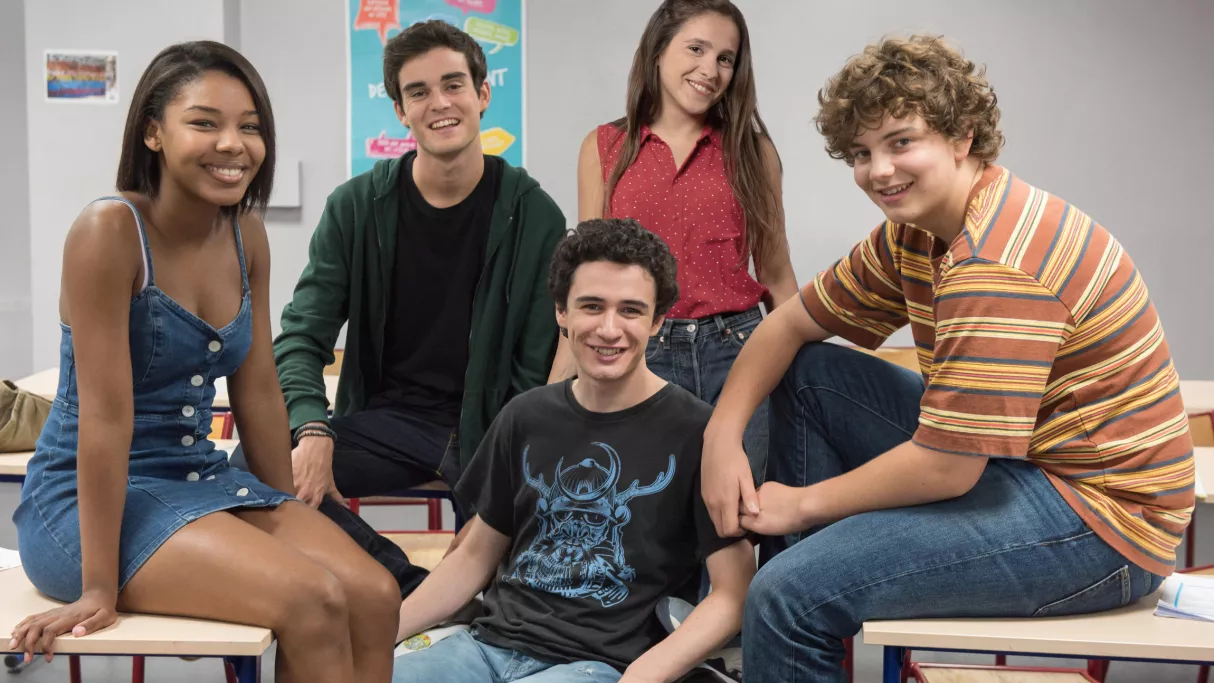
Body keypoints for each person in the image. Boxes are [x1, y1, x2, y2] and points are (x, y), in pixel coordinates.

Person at [700, 35, 1195, 682]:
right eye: (861, 153)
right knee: (812, 375)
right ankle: (814, 606)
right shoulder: (914, 232)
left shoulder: (996, 260)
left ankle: (801, 604)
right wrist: (720, 436)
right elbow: (790, 323)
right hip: (1021, 463)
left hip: (1104, 524)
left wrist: (801, 505)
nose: (879, 170)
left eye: (901, 142)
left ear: (963, 136)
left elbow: (947, 467)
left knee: (785, 594)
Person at [10, 42, 399, 683]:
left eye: (250, 126)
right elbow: (105, 419)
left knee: (376, 594)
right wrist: (98, 588)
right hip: (84, 504)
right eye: (204, 123)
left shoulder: (246, 233)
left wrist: (284, 509)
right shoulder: (109, 232)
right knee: (314, 598)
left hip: (199, 479)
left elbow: (260, 390)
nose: (232, 144)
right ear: (153, 133)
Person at [231, 20, 567, 594]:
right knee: (250, 467)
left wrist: (504, 482)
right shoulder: (356, 207)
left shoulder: (535, 215)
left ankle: (467, 599)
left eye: (454, 85)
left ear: (483, 94)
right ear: (399, 111)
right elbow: (301, 336)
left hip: (489, 430)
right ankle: (404, 588)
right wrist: (312, 428)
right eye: (419, 92)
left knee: (525, 582)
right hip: (389, 423)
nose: (440, 103)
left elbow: (534, 370)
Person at [390, 219, 756, 683]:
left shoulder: (701, 434)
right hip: (486, 647)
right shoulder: (524, 416)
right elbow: (472, 558)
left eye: (630, 310)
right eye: (591, 306)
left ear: (657, 321)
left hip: (599, 667)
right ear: (561, 312)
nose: (609, 329)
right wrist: (379, 638)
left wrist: (644, 675)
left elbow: (732, 592)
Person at [564, 0, 798, 484]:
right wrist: (555, 397)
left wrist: (806, 374)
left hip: (740, 353)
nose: (710, 70)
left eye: (725, 58)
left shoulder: (753, 153)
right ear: (657, 51)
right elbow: (587, 285)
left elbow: (776, 275)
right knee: (643, 505)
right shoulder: (604, 148)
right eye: (696, 49)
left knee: (735, 507)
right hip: (639, 351)